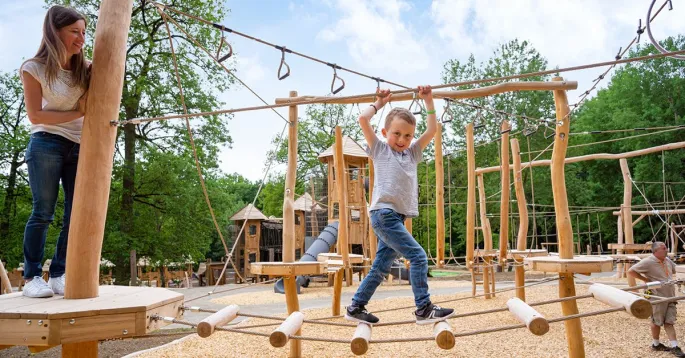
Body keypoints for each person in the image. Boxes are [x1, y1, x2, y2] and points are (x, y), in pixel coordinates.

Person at [345, 86, 454, 325]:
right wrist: (379, 103)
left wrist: (429, 100)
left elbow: (433, 129)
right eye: (396, 134)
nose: (402, 140)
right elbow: (363, 118)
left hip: (395, 217)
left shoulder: (413, 153)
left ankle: (356, 306)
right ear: (385, 132)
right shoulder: (380, 149)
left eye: (407, 135)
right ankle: (423, 308)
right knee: (418, 257)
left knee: (380, 267)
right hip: (384, 214)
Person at [19, 5, 89, 298]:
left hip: (80, 145)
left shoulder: (85, 69)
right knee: (43, 212)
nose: (81, 39)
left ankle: (59, 272)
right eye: (74, 31)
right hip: (46, 142)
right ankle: (32, 276)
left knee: (75, 214)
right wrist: (76, 112)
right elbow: (36, 116)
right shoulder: (33, 67)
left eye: (84, 32)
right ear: (55, 31)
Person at [628, 241, 684, 357]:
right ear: (656, 251)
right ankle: (656, 344)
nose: (666, 249)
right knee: (656, 321)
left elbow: (676, 270)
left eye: (666, 248)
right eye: (664, 248)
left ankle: (675, 346)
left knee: (669, 321)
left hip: (670, 295)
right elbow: (631, 271)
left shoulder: (667, 260)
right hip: (657, 296)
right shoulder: (648, 261)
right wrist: (646, 280)